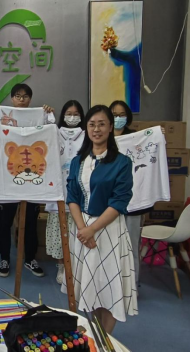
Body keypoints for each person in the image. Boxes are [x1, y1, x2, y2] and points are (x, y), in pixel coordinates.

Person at [62, 104, 137, 334]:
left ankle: (105, 339)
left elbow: (119, 201)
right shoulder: (78, 161)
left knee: (109, 287)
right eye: (92, 124)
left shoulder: (122, 162)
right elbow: (72, 196)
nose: (96, 129)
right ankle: (95, 334)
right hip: (82, 230)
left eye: (102, 124)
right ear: (86, 128)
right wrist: (83, 229)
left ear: (111, 127)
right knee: (90, 284)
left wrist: (92, 229)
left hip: (108, 229)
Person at [0, 83, 54, 278]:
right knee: (5, 222)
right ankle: (5, 258)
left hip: (32, 179)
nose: (21, 99)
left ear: (30, 99)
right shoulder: (3, 118)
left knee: (31, 222)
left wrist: (48, 116)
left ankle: (30, 258)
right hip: (8, 179)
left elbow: (50, 138)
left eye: (25, 96)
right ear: (12, 99)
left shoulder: (38, 117)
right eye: (18, 96)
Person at [109, 100, 163, 289]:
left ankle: (132, 285)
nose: (118, 118)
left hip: (133, 201)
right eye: (114, 114)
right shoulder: (103, 138)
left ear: (128, 117)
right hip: (108, 202)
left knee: (131, 245)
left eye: (122, 115)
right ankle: (112, 285)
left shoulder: (135, 138)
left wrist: (158, 136)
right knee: (109, 246)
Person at [46, 100, 86, 285]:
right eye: (69, 114)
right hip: (58, 191)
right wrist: (46, 116)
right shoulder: (53, 132)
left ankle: (77, 267)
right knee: (59, 232)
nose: (72, 117)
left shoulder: (87, 135)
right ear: (62, 115)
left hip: (80, 194)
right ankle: (61, 265)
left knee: (78, 231)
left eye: (76, 114)